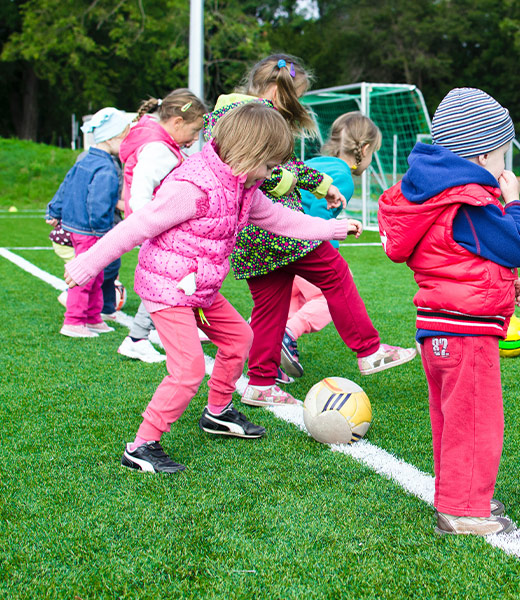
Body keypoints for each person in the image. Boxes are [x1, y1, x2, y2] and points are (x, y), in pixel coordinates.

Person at [63, 102, 362, 473]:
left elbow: (280, 220)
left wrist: (333, 228)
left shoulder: (243, 186)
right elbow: (137, 226)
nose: (272, 174)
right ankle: (141, 446)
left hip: (199, 288)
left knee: (240, 339)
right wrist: (88, 264)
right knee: (188, 370)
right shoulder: (192, 188)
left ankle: (218, 412)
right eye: (269, 166)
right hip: (168, 289)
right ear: (248, 154)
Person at [203, 53, 415, 408]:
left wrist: (322, 185)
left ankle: (260, 383)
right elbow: (264, 172)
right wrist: (297, 186)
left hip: (250, 237)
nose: (296, 105)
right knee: (335, 273)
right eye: (295, 96)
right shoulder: (253, 117)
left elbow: (285, 164)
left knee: (270, 307)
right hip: (277, 229)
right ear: (276, 91)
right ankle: (369, 350)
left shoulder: (229, 114)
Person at [378, 88, 520, 536]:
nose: (504, 166)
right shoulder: (468, 201)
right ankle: (462, 509)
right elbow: (518, 245)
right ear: (482, 154)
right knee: (475, 421)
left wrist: (504, 285)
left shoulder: (436, 195)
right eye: (502, 155)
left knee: (452, 419)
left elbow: (457, 258)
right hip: (466, 333)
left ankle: (457, 494)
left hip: (439, 328)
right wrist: (516, 202)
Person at [279, 112, 383, 380]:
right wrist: (329, 256)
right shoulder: (343, 178)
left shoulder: (314, 163)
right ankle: (287, 334)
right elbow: (317, 215)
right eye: (373, 153)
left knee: (291, 299)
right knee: (329, 296)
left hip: (277, 243)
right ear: (364, 149)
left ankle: (268, 346)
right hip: (301, 246)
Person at [116, 89, 208, 364]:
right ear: (177, 122)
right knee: (167, 282)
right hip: (159, 230)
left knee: (176, 279)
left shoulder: (160, 143)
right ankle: (137, 338)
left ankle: (154, 332)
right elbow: (141, 194)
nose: (195, 140)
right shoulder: (158, 150)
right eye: (194, 131)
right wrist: (152, 227)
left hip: (161, 228)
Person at [46, 107, 132, 338]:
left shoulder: (86, 159)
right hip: (91, 231)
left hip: (80, 227)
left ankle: (93, 318)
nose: (127, 143)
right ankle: (73, 321)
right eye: (124, 137)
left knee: (97, 275)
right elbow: (98, 202)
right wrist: (103, 233)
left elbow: (65, 184)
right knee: (85, 276)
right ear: (112, 138)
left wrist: (54, 209)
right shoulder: (106, 167)